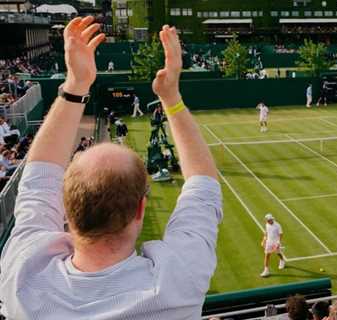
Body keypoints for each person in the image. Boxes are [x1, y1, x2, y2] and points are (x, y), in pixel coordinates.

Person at [0, 18, 222, 320]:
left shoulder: (22, 281)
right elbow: (203, 187)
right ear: (140, 209)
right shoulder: (176, 286)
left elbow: (37, 180)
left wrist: (76, 84)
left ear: (66, 206)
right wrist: (171, 98)